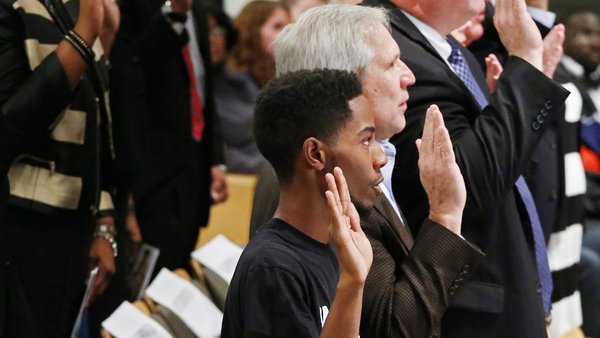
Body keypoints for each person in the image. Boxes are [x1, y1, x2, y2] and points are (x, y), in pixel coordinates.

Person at [271, 5, 485, 337]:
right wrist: (444, 214)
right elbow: (391, 328)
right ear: (344, 85)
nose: (409, 76)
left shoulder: (364, 156)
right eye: (390, 64)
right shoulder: (326, 175)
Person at [359, 0, 570, 336]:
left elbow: (503, 168)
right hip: (467, 311)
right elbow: (466, 185)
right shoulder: (397, 50)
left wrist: (513, 97)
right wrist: (525, 61)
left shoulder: (445, 46)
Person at [0, 0, 119, 335]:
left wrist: (104, 224)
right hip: (22, 226)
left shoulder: (74, 5)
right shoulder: (12, 8)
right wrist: (84, 35)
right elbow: (10, 127)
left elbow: (100, 127)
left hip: (75, 229)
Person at [125, 0, 228, 276]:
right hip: (151, 172)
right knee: (144, 284)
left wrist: (216, 159)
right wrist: (173, 15)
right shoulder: (134, 6)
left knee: (177, 273)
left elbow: (204, 86)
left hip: (193, 170)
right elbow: (130, 72)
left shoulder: (198, 7)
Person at [214, 0, 291, 174]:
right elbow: (224, 151)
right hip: (240, 183)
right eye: (277, 26)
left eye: (289, 27)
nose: (286, 34)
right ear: (252, 30)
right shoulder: (226, 81)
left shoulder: (284, 78)